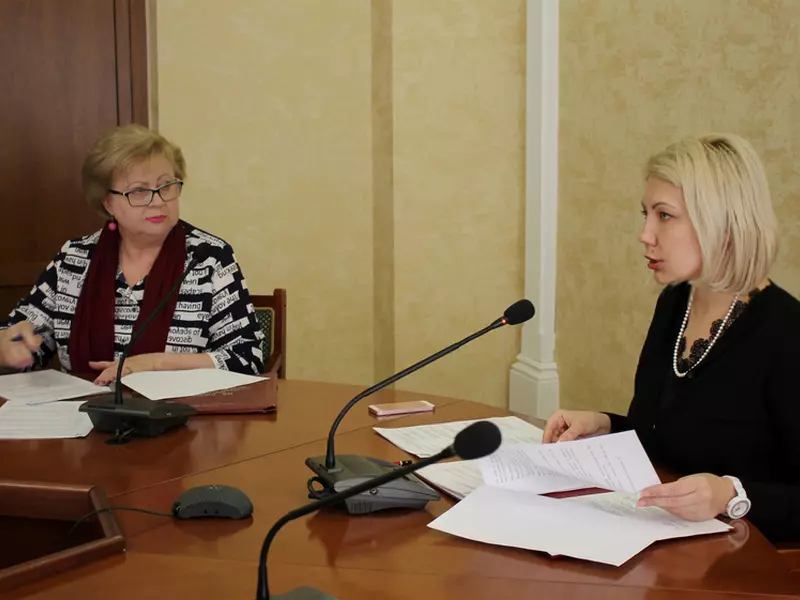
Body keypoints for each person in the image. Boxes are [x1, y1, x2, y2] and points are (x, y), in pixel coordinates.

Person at [543, 133, 800, 544]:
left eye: (664, 216)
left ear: (722, 222)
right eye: (646, 214)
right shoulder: (675, 302)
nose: (645, 234)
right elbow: (670, 436)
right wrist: (605, 424)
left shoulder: (786, 332)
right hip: (660, 537)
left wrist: (731, 494)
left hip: (744, 557)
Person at [0, 124, 264, 382]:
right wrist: (8, 348)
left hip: (178, 410)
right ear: (108, 202)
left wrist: (154, 364)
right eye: (139, 191)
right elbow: (19, 337)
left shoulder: (209, 258)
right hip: (82, 409)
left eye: (166, 186)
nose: (158, 201)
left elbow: (247, 357)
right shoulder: (74, 259)